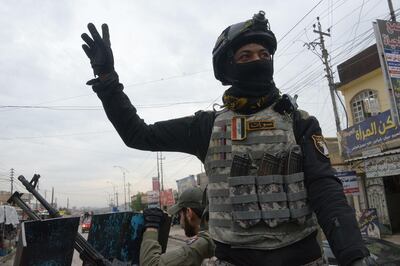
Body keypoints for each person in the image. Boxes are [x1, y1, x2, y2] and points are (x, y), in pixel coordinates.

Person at [81, 11, 374, 266]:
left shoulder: (299, 122)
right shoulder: (206, 126)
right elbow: (137, 134)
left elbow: (327, 192)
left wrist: (354, 254)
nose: (257, 60)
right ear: (228, 66)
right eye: (246, 56)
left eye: (264, 54)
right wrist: (108, 80)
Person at [140, 187, 215, 266]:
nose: (180, 220)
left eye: (180, 214)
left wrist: (151, 227)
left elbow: (150, 263)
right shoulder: (215, 235)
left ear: (189, 213)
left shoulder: (203, 244)